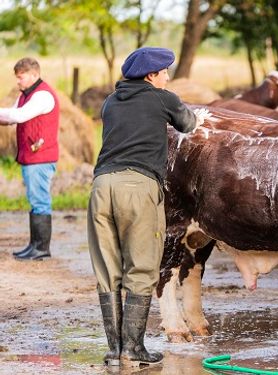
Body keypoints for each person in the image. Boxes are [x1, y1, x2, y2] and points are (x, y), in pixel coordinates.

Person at [87, 47, 205, 367]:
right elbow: (188, 123)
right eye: (165, 72)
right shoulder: (161, 97)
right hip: (137, 187)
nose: (167, 77)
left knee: (107, 269)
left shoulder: (111, 101)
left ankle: (115, 350)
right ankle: (133, 348)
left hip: (101, 187)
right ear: (152, 75)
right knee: (141, 266)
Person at [0, 57, 59, 261]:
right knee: (35, 201)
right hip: (32, 157)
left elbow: (18, 116)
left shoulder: (42, 95)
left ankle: (41, 248)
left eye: (20, 77)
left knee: (40, 201)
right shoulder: (27, 94)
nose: (18, 81)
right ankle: (34, 245)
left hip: (40, 158)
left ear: (33, 74)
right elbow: (11, 117)